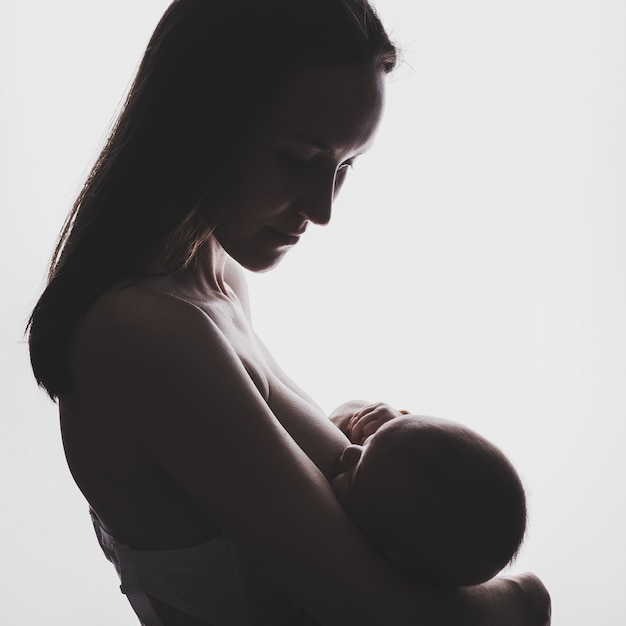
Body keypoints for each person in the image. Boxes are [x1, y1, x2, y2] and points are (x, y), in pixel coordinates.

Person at [27, 0, 550, 624]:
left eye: (344, 167)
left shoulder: (215, 285)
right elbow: (383, 614)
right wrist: (526, 598)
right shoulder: (140, 331)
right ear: (199, 120)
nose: (322, 208)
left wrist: (366, 441)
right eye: (300, 159)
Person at [329, 403, 527, 587]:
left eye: (356, 476)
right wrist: (394, 425)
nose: (349, 452)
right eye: (366, 444)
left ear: (390, 560)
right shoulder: (389, 481)